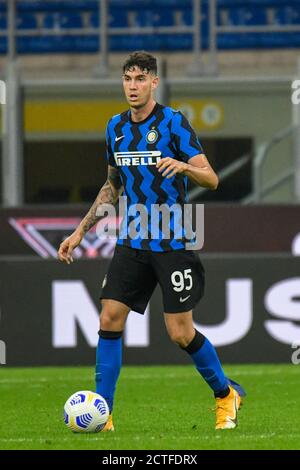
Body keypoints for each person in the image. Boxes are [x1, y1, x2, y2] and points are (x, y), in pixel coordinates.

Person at [58, 51, 245, 431]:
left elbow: (212, 179)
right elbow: (112, 185)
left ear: (154, 82)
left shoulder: (174, 123)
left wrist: (185, 166)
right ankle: (103, 413)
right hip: (132, 240)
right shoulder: (115, 127)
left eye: (141, 78)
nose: (133, 85)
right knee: (109, 318)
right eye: (127, 78)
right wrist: (80, 231)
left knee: (180, 333)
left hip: (173, 240)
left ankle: (226, 394)